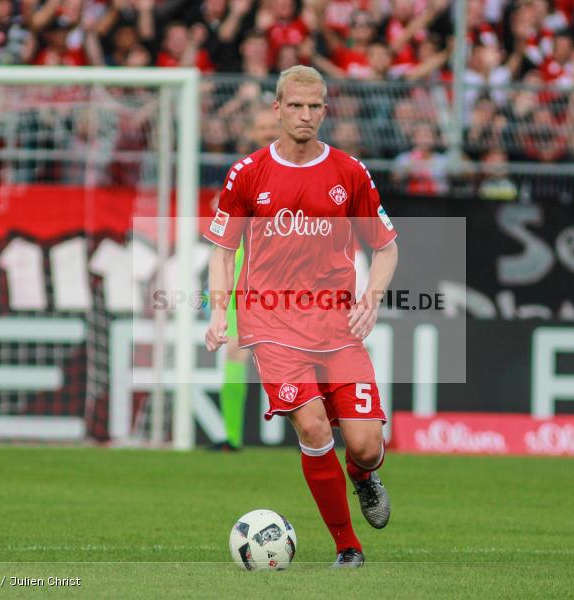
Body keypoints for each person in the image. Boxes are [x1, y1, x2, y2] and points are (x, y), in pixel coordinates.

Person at [204, 66, 398, 568]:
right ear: (277, 108)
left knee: (366, 445)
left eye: (314, 107)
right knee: (314, 430)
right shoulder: (247, 173)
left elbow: (387, 247)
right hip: (272, 326)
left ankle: (363, 476)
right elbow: (223, 251)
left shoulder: (349, 172)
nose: (305, 115)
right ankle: (347, 547)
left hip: (336, 327)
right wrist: (218, 312)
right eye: (295, 105)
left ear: (325, 111)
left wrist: (371, 298)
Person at [209, 106, 281, 452]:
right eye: (262, 127)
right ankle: (231, 437)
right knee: (235, 351)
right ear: (253, 133)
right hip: (246, 270)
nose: (267, 132)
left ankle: (319, 435)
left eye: (272, 126)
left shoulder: (294, 169)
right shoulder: (244, 172)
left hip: (289, 272)